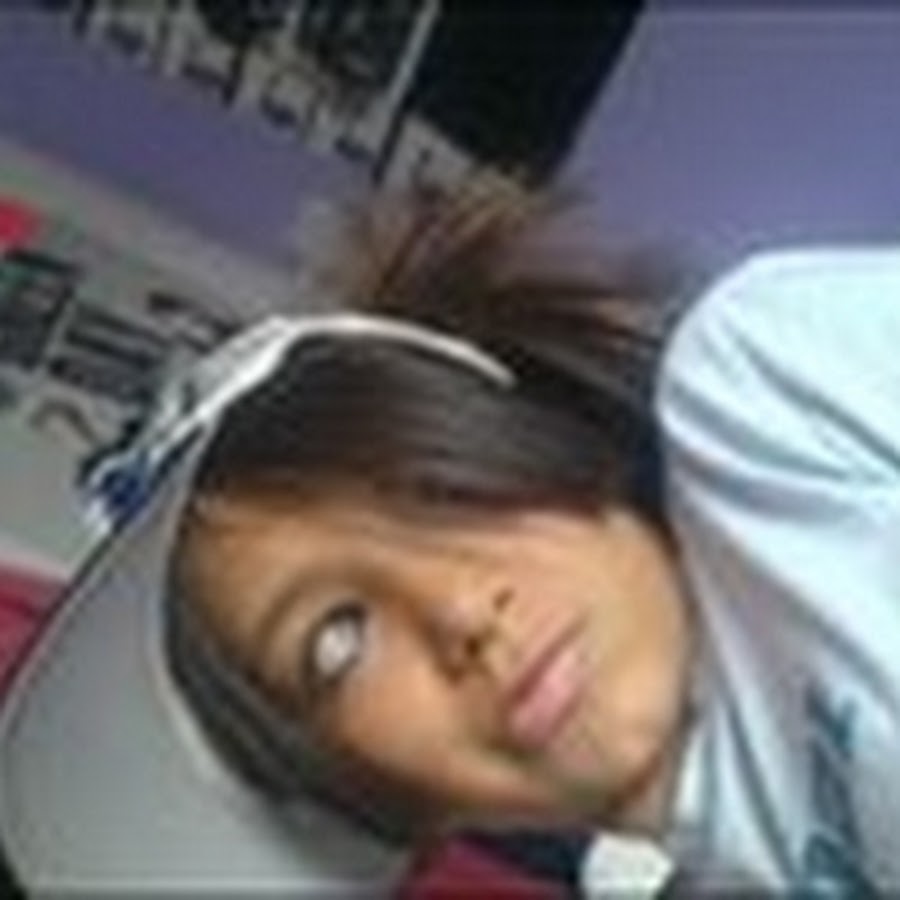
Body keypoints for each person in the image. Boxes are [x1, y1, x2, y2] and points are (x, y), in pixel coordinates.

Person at [2, 178, 899, 897]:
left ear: (535, 432)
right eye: (338, 640)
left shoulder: (765, 395)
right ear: (360, 798)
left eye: (433, 492)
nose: (463, 611)